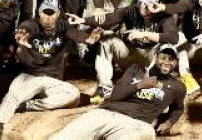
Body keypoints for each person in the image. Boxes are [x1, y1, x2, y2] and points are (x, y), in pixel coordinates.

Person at [0, 0, 103, 140]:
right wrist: (21, 36)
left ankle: (27, 105)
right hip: (30, 76)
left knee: (73, 95)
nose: (47, 17)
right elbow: (24, 29)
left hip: (53, 80)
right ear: (39, 13)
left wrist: (89, 39)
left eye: (51, 13)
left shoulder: (63, 26)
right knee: (13, 96)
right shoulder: (31, 24)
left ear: (58, 14)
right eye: (44, 12)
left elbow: (76, 34)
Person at [47, 44, 186, 140]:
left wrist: (169, 123)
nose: (167, 62)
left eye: (171, 59)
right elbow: (115, 95)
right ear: (155, 57)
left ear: (176, 62)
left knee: (147, 133)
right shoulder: (136, 70)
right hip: (106, 113)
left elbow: (178, 109)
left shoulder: (177, 87)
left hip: (137, 123)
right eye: (163, 58)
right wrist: (140, 85)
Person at [78, 0, 179, 104]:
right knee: (107, 39)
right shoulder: (132, 10)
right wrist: (82, 20)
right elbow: (110, 18)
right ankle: (104, 87)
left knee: (167, 46)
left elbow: (174, 38)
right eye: (143, 3)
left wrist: (145, 34)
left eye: (149, 5)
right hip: (130, 56)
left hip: (151, 60)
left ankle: (160, 84)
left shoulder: (165, 16)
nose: (144, 7)